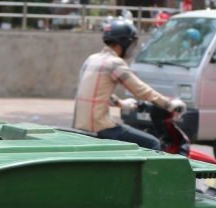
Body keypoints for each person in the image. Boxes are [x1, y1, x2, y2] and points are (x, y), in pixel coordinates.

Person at [74, 19, 185, 150]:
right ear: (124, 42)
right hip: (101, 128)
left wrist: (121, 104)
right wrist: (169, 104)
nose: (132, 48)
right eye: (132, 43)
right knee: (153, 144)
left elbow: (96, 93)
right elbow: (141, 91)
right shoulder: (114, 63)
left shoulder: (92, 59)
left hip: (81, 127)